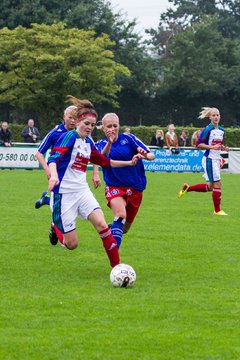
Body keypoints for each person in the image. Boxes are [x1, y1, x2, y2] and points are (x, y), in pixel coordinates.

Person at [48, 97, 141, 268]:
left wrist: (129, 162)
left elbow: (107, 162)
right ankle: (56, 225)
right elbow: (53, 158)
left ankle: (117, 268)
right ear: (77, 122)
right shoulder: (69, 137)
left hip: (83, 192)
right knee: (72, 244)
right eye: (86, 123)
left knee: (102, 224)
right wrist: (53, 176)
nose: (89, 127)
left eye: (92, 125)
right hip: (65, 195)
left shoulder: (87, 143)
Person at [95, 113, 155, 249]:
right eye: (109, 126)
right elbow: (102, 158)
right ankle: (115, 258)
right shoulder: (100, 144)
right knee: (121, 215)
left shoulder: (129, 139)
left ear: (119, 126)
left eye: (115, 126)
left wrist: (144, 155)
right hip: (114, 186)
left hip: (135, 187)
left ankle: (111, 230)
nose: (112, 129)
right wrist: (110, 142)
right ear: (103, 128)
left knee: (125, 229)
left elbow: (152, 155)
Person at [178, 107, 229, 216]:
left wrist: (224, 148)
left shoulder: (221, 130)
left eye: (217, 115)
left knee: (210, 187)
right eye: (213, 115)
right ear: (210, 117)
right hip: (209, 159)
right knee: (218, 184)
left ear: (220, 116)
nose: (216, 117)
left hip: (216, 159)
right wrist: (212, 147)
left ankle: (187, 188)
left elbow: (219, 145)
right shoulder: (207, 130)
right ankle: (217, 211)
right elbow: (198, 145)